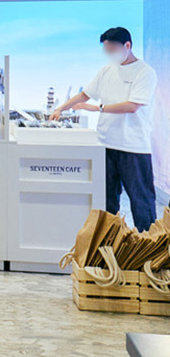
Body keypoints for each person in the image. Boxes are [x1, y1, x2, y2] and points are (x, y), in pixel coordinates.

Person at [51, 26, 158, 231]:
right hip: (105, 144)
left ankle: (149, 247)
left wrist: (97, 108)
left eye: (112, 49)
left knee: (141, 202)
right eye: (106, 50)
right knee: (107, 202)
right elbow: (85, 95)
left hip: (133, 147)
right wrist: (60, 109)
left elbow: (132, 106)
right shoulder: (106, 70)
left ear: (127, 45)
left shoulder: (145, 73)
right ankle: (110, 244)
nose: (109, 54)